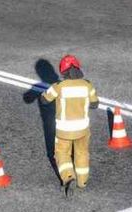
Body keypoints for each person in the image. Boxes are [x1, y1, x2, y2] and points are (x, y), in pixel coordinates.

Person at [41, 54, 99, 197]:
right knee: (82, 153)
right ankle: (82, 181)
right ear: (78, 68)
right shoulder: (87, 84)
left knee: (62, 153)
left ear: (62, 71)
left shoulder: (59, 87)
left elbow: (44, 100)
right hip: (83, 129)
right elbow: (95, 104)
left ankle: (68, 177)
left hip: (64, 130)